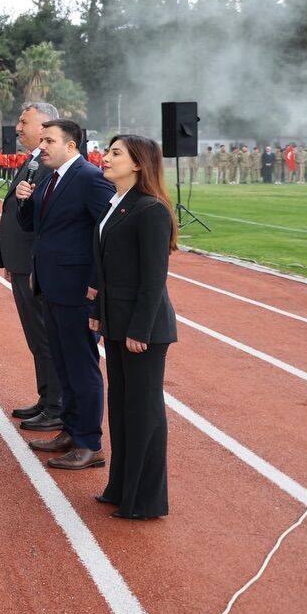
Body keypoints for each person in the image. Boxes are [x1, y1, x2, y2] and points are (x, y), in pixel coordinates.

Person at [16, 118, 117, 471]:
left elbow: (109, 233)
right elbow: (35, 229)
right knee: (63, 364)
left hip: (77, 290)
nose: (41, 146)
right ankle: (70, 431)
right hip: (53, 287)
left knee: (82, 366)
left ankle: (90, 443)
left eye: (49, 140)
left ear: (71, 145)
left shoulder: (90, 179)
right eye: (41, 140)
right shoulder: (49, 179)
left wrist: (95, 282)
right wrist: (24, 201)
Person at [91, 135, 178, 520]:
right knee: (122, 408)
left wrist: (140, 329)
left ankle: (145, 500)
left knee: (144, 412)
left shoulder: (151, 210)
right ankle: (121, 488)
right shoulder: (116, 205)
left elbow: (153, 278)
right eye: (108, 152)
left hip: (143, 328)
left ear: (139, 164)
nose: (106, 158)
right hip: (116, 320)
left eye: (115, 153)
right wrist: (98, 310)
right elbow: (106, 269)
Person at [0, 101, 62, 432]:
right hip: (21, 263)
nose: (18, 128)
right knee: (36, 335)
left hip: (35, 266)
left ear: (46, 125)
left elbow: (46, 223)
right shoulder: (35, 161)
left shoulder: (49, 165)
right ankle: (46, 397)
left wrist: (33, 263)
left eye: (24, 122)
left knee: (46, 335)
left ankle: (56, 406)